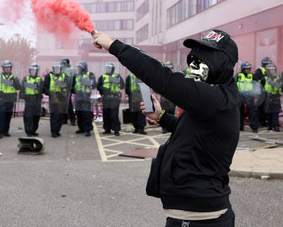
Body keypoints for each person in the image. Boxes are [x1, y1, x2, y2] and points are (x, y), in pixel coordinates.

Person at [93, 29, 239, 226]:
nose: (194, 64)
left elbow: (164, 78)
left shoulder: (216, 98)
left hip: (201, 218)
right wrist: (161, 116)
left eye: (203, 58)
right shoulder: (210, 98)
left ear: (221, 63)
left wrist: (114, 45)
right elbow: (193, 132)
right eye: (194, 57)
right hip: (191, 213)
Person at [0, 60, 21, 139]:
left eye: (8, 68)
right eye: (5, 68)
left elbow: (18, 87)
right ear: (3, 69)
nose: (7, 69)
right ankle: (0, 132)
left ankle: (6, 131)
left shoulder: (14, 77)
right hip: (2, 97)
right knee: (1, 115)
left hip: (10, 97)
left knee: (8, 115)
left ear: (11, 68)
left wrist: (14, 82)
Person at [97, 62, 124, 136]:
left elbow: (122, 85)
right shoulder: (102, 76)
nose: (108, 69)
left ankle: (116, 130)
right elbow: (98, 86)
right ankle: (107, 129)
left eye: (109, 68)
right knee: (106, 114)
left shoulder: (117, 76)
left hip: (114, 98)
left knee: (114, 115)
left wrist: (113, 79)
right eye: (107, 68)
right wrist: (103, 89)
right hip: (106, 98)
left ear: (112, 69)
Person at [43, 62, 68, 138]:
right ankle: (53, 131)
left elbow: (68, 85)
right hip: (53, 97)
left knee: (60, 115)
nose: (57, 71)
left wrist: (62, 86)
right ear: (53, 69)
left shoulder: (64, 76)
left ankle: (57, 130)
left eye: (58, 69)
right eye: (56, 69)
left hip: (61, 97)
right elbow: (45, 87)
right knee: (54, 115)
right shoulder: (49, 76)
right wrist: (49, 93)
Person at [72, 61, 96, 137]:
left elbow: (94, 84)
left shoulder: (90, 75)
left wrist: (85, 81)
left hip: (86, 97)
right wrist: (74, 91)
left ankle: (87, 129)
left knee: (86, 114)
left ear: (83, 68)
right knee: (79, 113)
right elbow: (73, 85)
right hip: (78, 97)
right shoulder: (76, 75)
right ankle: (81, 128)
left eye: (79, 67)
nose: (78, 69)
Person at [20, 64, 43, 137]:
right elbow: (23, 88)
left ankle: (33, 130)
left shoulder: (39, 79)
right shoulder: (26, 79)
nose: (33, 72)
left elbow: (42, 89)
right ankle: (29, 131)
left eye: (35, 71)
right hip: (29, 99)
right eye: (32, 70)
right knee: (28, 116)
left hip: (37, 99)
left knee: (36, 116)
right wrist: (23, 96)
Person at [236, 61, 259, 133]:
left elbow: (256, 86)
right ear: (243, 69)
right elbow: (233, 85)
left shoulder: (252, 76)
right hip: (240, 95)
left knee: (252, 112)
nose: (248, 70)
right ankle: (239, 127)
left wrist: (256, 96)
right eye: (246, 69)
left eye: (249, 69)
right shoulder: (238, 76)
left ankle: (254, 127)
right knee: (239, 112)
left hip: (250, 95)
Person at [263, 64, 282, 132]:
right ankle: (270, 125)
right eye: (270, 70)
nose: (272, 71)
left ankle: (276, 126)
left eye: (273, 69)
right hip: (268, 97)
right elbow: (261, 87)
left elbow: (281, 86)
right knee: (268, 112)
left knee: (275, 112)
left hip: (275, 96)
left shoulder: (278, 78)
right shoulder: (265, 78)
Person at [254, 57, 272, 127]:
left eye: (269, 64)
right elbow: (256, 79)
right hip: (261, 91)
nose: (267, 65)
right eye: (266, 64)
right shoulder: (259, 70)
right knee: (260, 107)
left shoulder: (271, 70)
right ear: (263, 64)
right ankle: (260, 121)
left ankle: (265, 121)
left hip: (268, 91)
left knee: (267, 107)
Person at [159, 62, 177, 134]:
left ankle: (170, 128)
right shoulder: (162, 77)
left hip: (172, 99)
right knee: (164, 114)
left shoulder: (175, 77)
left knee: (171, 113)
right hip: (164, 99)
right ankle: (164, 128)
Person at [61, 58, 76, 126]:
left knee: (69, 105)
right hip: (62, 89)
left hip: (68, 89)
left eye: (63, 63)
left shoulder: (70, 70)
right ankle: (64, 119)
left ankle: (72, 120)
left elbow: (72, 80)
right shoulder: (61, 69)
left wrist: (71, 88)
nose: (62, 64)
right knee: (63, 105)